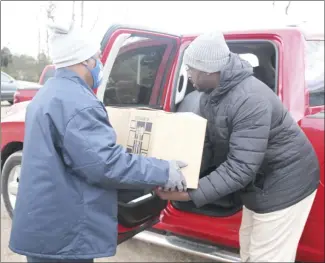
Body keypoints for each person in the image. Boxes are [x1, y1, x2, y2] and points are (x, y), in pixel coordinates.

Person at [9, 21, 187, 263]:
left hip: (46, 225)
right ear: (84, 61)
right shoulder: (78, 103)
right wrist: (164, 170)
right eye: (97, 58)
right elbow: (106, 165)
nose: (100, 64)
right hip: (65, 234)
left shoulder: (49, 93)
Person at [156, 31, 320, 262]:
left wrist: (188, 194)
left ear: (208, 70)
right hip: (260, 181)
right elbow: (210, 143)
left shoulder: (249, 100)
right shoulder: (210, 95)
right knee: (250, 247)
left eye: (191, 68)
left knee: (268, 256)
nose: (187, 74)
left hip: (286, 182)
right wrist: (179, 175)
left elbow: (241, 167)